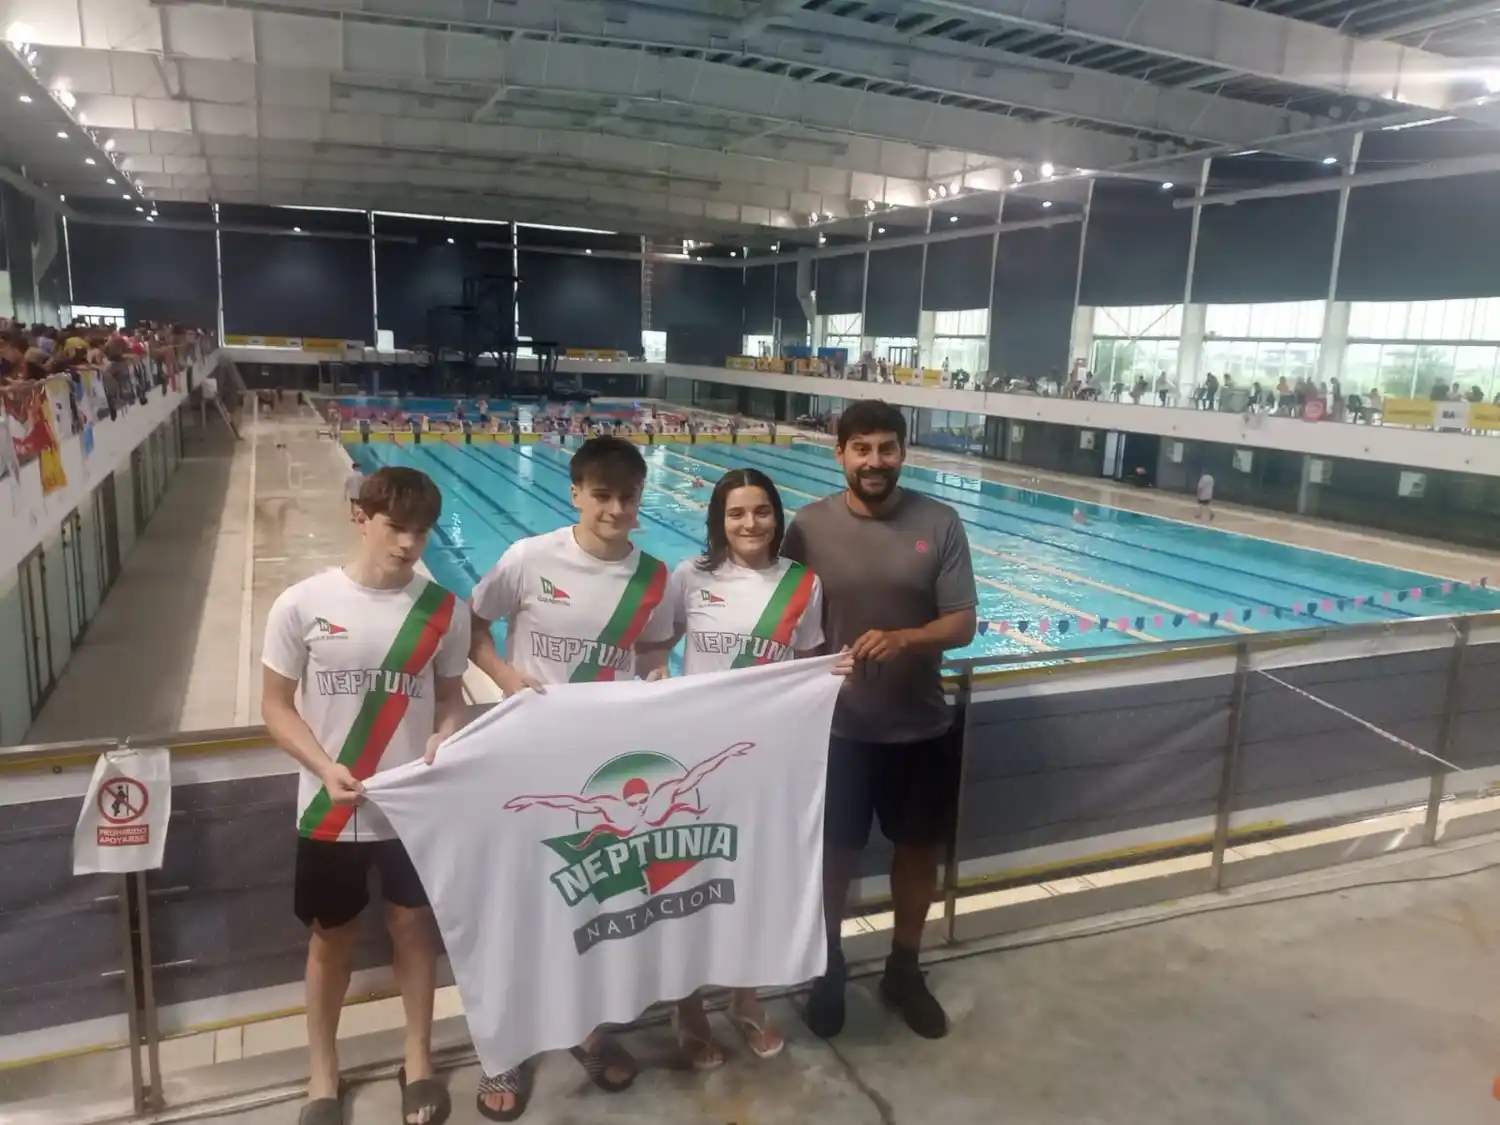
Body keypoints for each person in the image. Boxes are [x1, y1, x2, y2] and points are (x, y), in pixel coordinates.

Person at [464, 436, 676, 1120]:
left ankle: (588, 1029)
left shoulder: (653, 576)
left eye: (628, 496)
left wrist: (652, 678)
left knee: (594, 903)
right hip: (528, 757)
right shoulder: (529, 559)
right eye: (603, 495)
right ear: (576, 493)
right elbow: (470, 622)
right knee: (518, 904)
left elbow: (652, 648)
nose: (615, 508)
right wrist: (504, 678)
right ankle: (505, 1047)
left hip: (602, 768)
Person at [261, 467, 470, 1125]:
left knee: (413, 927)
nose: (409, 543)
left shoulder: (443, 610)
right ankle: (323, 1072)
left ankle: (420, 1057)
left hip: (411, 802)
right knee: (332, 937)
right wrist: (323, 765)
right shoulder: (302, 603)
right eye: (395, 526)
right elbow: (274, 706)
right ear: (361, 517)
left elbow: (449, 699)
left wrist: (445, 734)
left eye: (420, 530)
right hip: (331, 805)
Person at [780, 399, 977, 1041]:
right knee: (833, 855)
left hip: (919, 726)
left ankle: (904, 967)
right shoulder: (806, 528)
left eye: (885, 447)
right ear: (839, 453)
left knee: (916, 852)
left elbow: (963, 623)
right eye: (860, 448)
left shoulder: (940, 522)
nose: (874, 461)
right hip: (832, 732)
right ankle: (828, 968)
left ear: (902, 451)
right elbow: (777, 617)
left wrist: (905, 638)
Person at [657, 468, 852, 1069]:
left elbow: (805, 664)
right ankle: (687, 1009)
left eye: (761, 511)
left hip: (764, 759)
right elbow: (654, 648)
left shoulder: (802, 584)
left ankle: (744, 998)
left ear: (777, 516)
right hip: (692, 760)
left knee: (748, 883)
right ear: (719, 518)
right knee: (685, 884)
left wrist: (830, 673)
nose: (750, 524)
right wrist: (659, 676)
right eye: (737, 512)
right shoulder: (690, 577)